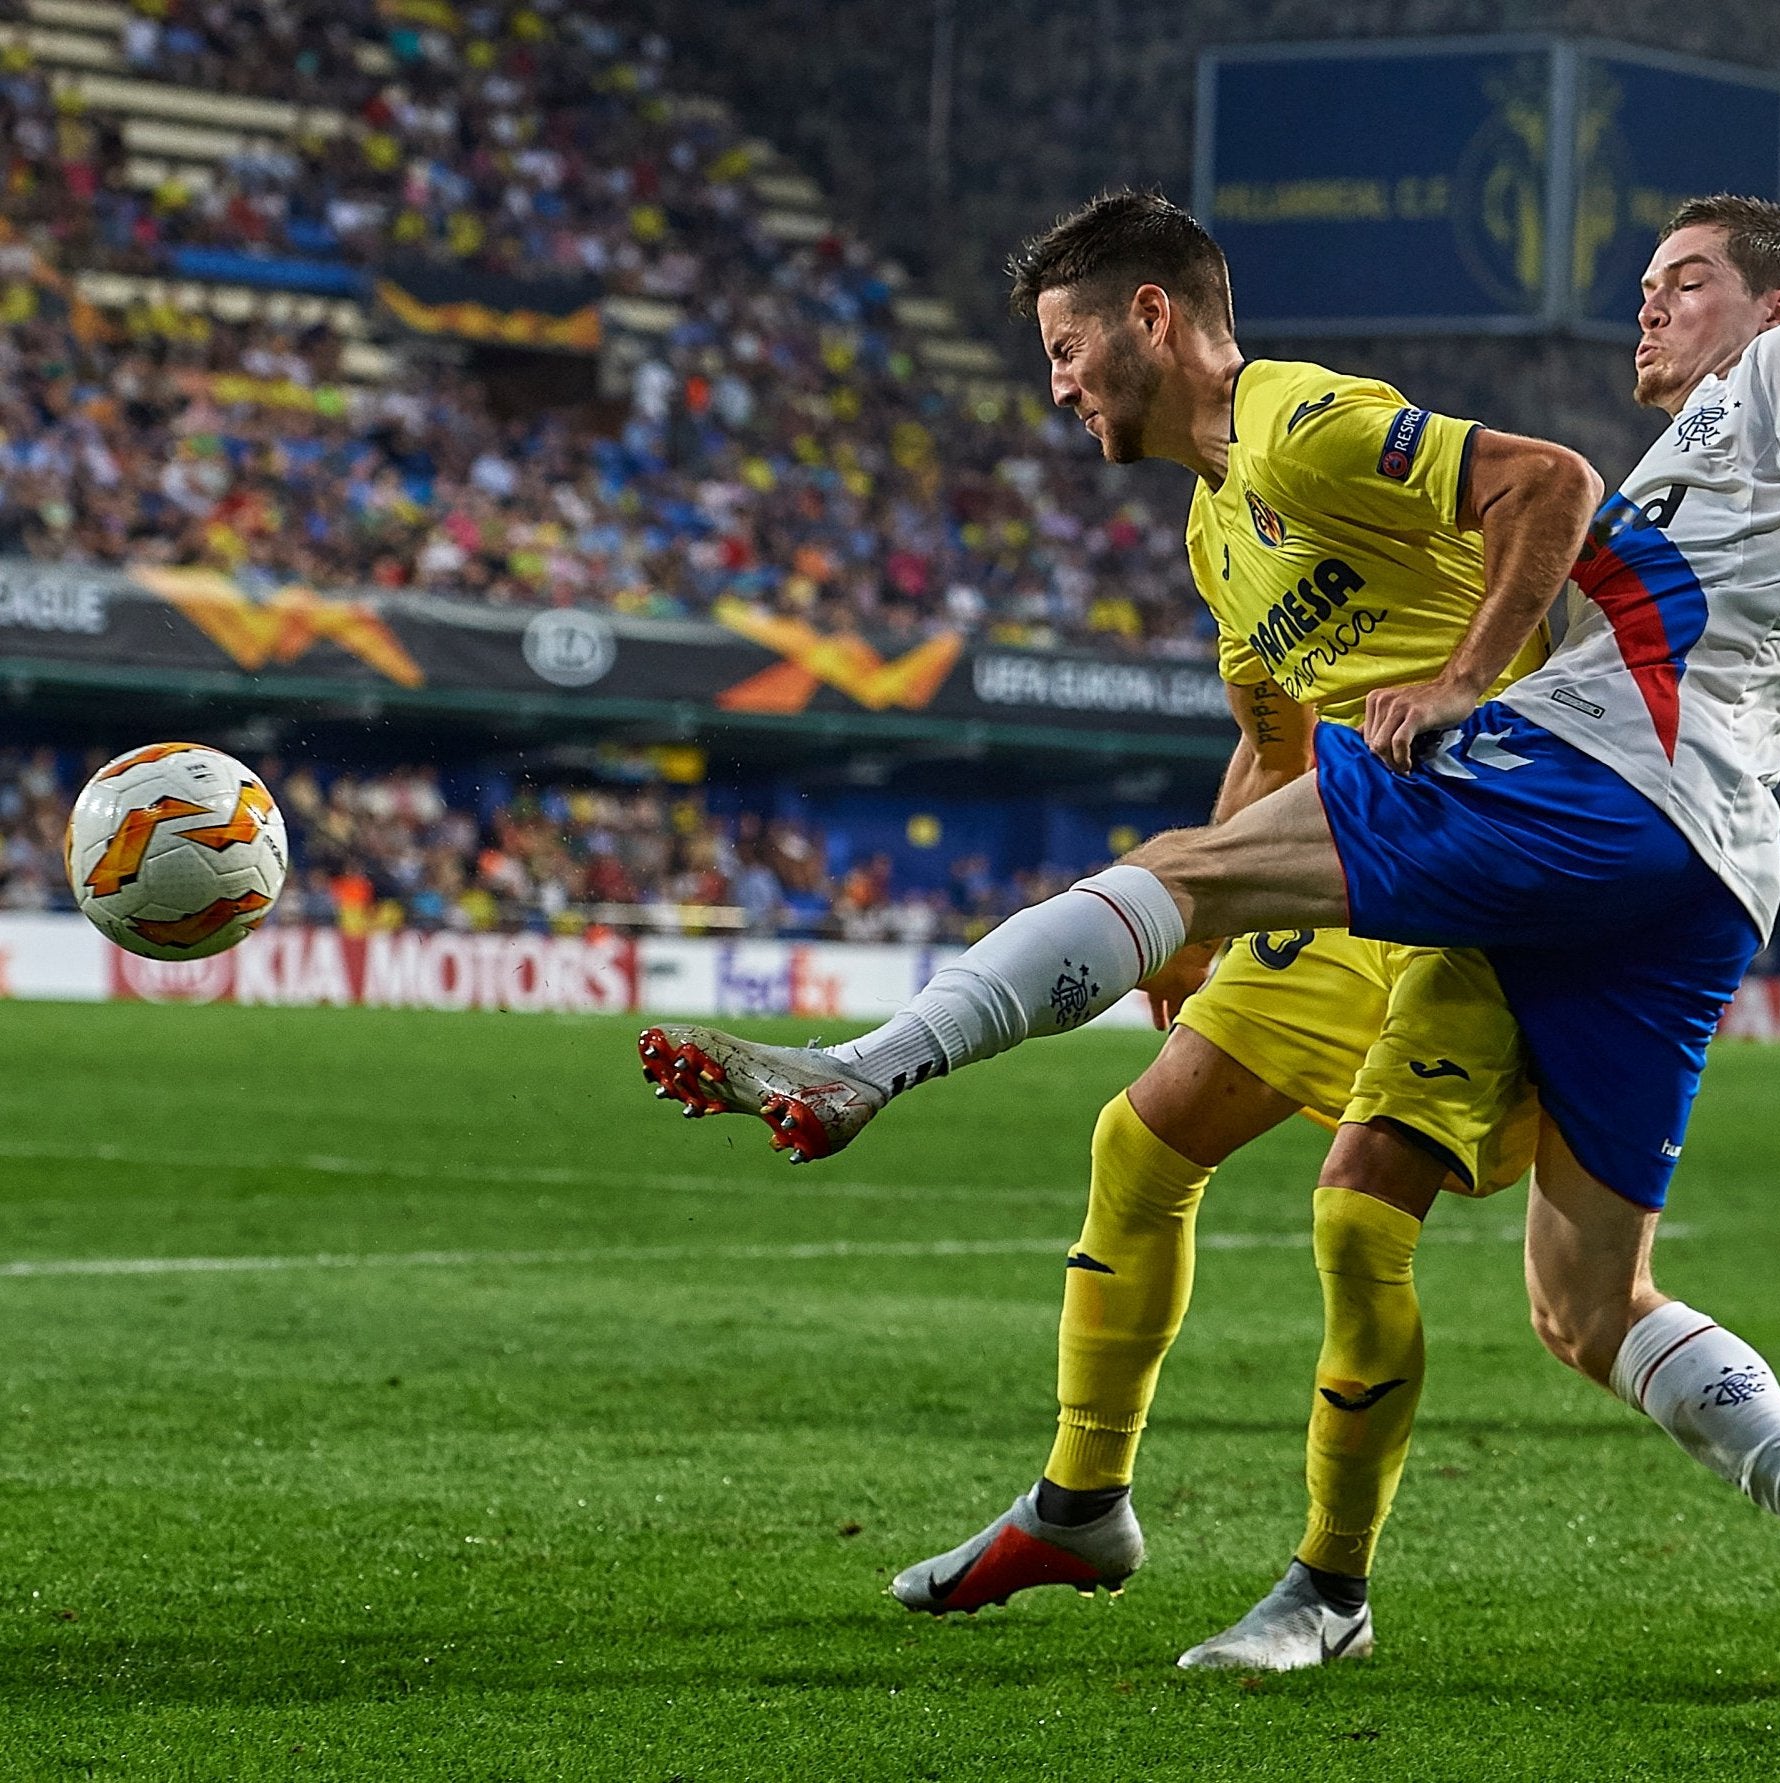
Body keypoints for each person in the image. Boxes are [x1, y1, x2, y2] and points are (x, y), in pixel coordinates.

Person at [641, 193, 1780, 1688]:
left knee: (1209, 920)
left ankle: (867, 1071)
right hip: (1694, 870)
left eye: (1689, 276)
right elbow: (1295, 711)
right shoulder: (1678, 457)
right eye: (1649, 278)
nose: (1651, 298)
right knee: (1587, 1302)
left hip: (1581, 792)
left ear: (1777, 305)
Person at [651, 190, 1559, 1672]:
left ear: (1155, 316)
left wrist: (1461, 677)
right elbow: (1271, 738)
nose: (1057, 383)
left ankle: (1330, 1588)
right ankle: (1080, 1504)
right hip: (1348, 880)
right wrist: (1197, 932)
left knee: (1355, 1212)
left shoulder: (1307, 421)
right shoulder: (1218, 527)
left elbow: (1548, 483)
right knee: (1140, 1144)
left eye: (1070, 346)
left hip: (1493, 881)